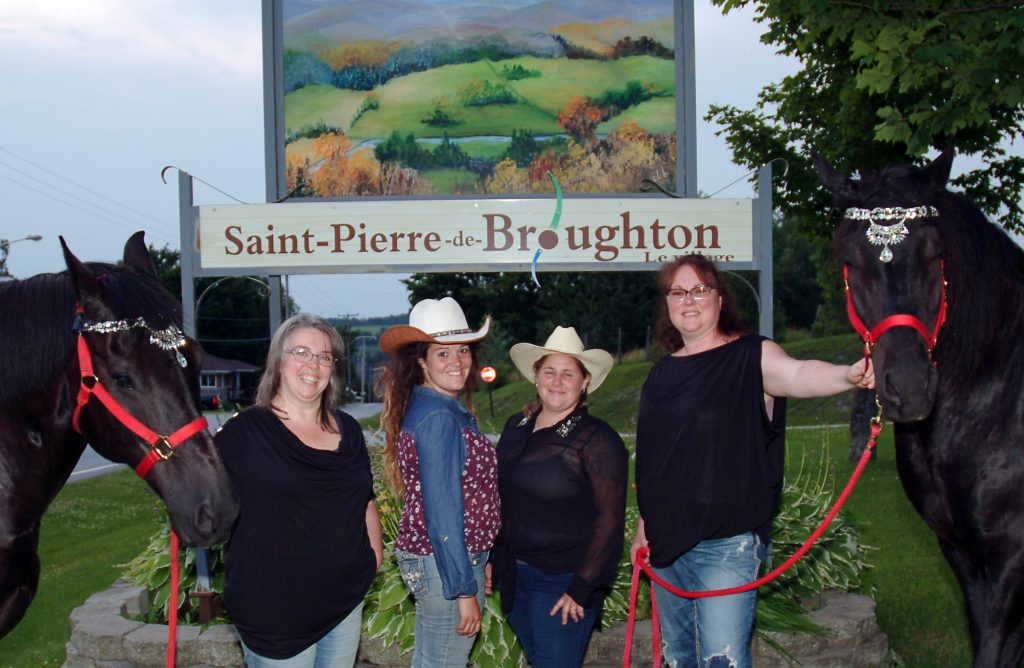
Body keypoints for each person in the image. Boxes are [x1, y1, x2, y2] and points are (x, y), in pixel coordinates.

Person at [630, 255, 875, 668]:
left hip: (726, 545)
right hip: (665, 547)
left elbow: (796, 375)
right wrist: (642, 528)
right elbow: (656, 460)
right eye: (678, 292)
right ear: (668, 304)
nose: (689, 300)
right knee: (677, 660)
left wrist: (845, 375)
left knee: (721, 661)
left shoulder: (751, 355)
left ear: (720, 299)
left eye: (700, 290)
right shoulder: (660, 374)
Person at [216, 313, 384, 667]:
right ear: (279, 359)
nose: (314, 364)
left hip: (343, 603)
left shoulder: (349, 430)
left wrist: (372, 558)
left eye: (324, 357)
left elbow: (363, 499)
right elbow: (203, 504)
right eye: (302, 352)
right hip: (275, 617)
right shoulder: (243, 435)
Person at [490, 326, 627, 668]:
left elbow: (610, 522)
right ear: (536, 376)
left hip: (564, 582)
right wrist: (493, 558)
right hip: (515, 577)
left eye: (568, 373)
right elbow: (502, 498)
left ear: (584, 382)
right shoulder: (515, 426)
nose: (557, 380)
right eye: (549, 371)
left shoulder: (597, 439)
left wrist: (582, 588)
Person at [376, 297, 500, 668]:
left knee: (434, 659)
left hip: (447, 560)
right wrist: (463, 588)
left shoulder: (441, 408)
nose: (457, 361)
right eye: (442, 354)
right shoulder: (438, 419)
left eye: (462, 350)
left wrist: (483, 557)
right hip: (443, 563)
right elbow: (443, 512)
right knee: (443, 661)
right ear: (421, 361)